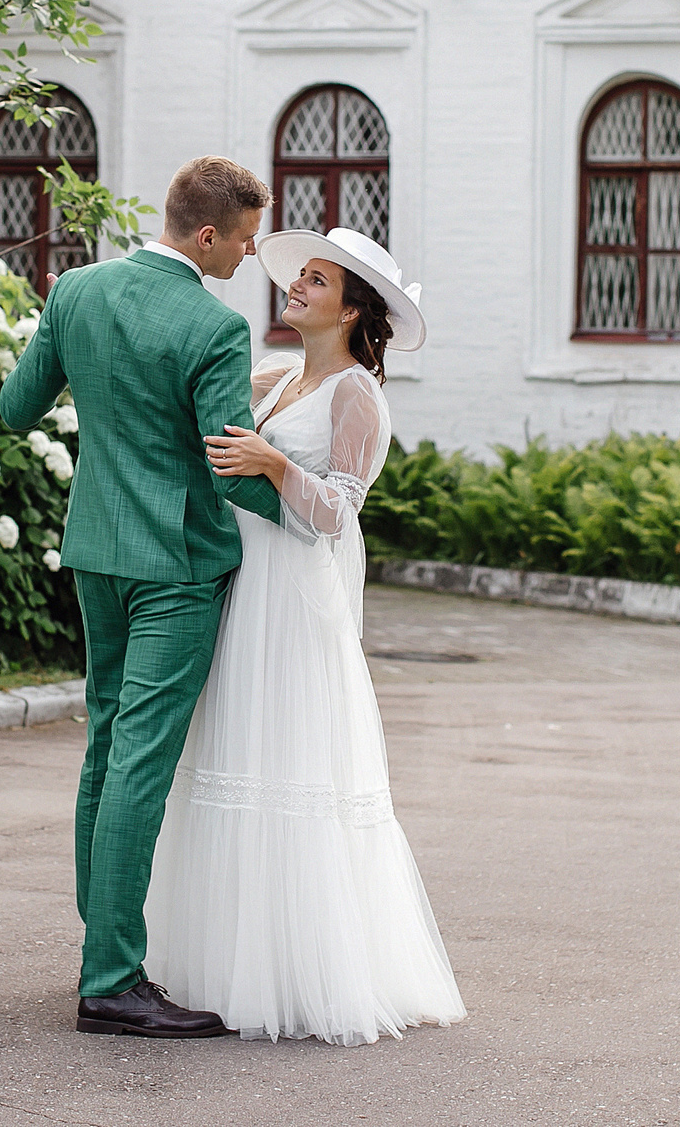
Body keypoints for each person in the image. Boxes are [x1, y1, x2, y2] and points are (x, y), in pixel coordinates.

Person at [153, 226, 467, 1045]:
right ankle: (227, 965)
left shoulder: (358, 395)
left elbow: (337, 513)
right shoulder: (276, 374)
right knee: (232, 753)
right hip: (240, 586)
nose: (296, 285)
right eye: (302, 276)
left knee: (288, 763)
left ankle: (304, 974)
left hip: (292, 600)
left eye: (317, 280)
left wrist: (274, 464)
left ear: (352, 309)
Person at [0, 155, 284, 1039]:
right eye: (244, 239)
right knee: (140, 765)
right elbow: (228, 467)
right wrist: (319, 513)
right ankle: (113, 980)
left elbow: (16, 408)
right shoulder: (216, 326)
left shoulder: (75, 290)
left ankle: (105, 955)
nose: (248, 255)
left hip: (98, 552)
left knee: (107, 747)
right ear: (208, 234)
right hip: (175, 566)